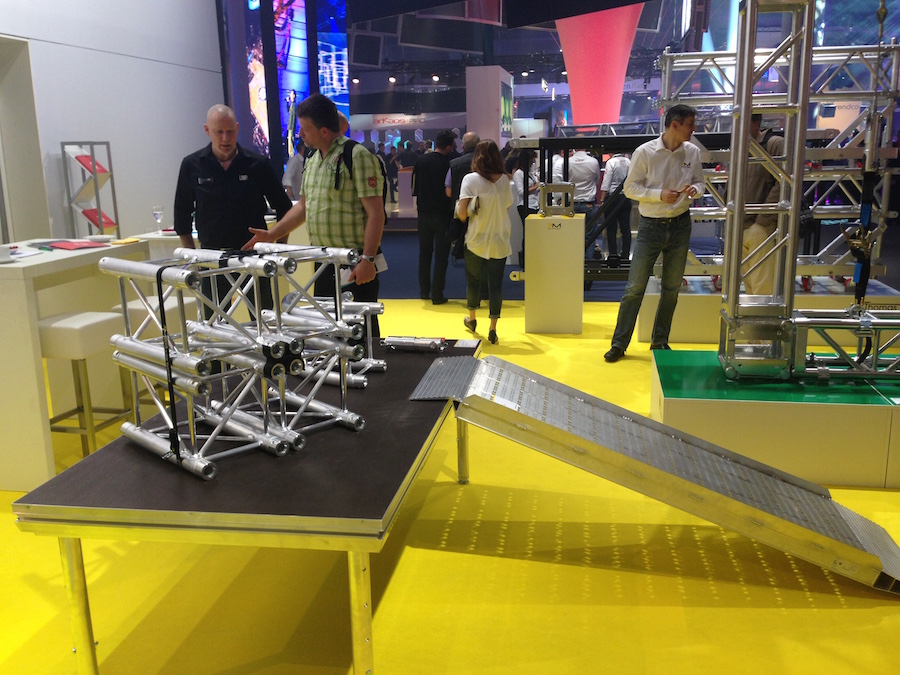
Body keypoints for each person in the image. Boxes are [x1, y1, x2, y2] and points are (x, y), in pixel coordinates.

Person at [243, 93, 385, 332]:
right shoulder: (312, 158)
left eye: (305, 129)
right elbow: (303, 207)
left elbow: (376, 213)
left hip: (353, 262)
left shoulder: (356, 156)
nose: (301, 134)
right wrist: (272, 234)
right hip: (324, 261)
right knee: (329, 329)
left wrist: (368, 259)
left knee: (360, 329)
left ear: (324, 132)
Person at [604, 104, 705, 362]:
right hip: (650, 226)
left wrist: (695, 190)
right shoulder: (645, 152)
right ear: (675, 125)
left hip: (681, 224)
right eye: (690, 124)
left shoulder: (692, 152)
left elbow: (700, 182)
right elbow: (630, 188)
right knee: (635, 287)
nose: (694, 129)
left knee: (672, 288)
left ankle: (660, 341)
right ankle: (619, 344)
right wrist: (659, 195)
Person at [174, 104, 292, 315]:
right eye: (219, 132)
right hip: (211, 257)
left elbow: (284, 208)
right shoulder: (192, 165)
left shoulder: (258, 164)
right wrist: (193, 258)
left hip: (254, 256)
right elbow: (181, 215)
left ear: (237, 128)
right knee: (214, 322)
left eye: (230, 132)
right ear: (207, 130)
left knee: (263, 319)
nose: (225, 138)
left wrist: (278, 249)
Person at [456, 140, 512, 345]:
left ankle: (472, 318)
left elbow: (462, 214)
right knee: (495, 285)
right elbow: (506, 206)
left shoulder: (470, 179)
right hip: (500, 238)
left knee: (473, 281)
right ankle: (493, 328)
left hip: (476, 238)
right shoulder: (504, 180)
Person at [742, 114, 785, 294]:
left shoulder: (774, 144)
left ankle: (762, 314)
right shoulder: (741, 148)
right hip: (741, 225)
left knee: (762, 286)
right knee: (749, 283)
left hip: (762, 227)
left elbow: (784, 183)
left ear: (756, 123)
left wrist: (762, 219)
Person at [412, 129, 456, 304]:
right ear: (448, 146)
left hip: (423, 213)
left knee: (424, 253)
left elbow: (414, 188)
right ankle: (437, 294)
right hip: (443, 214)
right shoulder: (450, 163)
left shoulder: (421, 160)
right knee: (441, 256)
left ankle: (424, 290)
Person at [599, 153, 633, 259]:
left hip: (612, 198)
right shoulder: (629, 161)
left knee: (611, 228)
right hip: (625, 197)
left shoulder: (611, 162)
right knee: (625, 228)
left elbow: (606, 182)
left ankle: (613, 254)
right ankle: (625, 254)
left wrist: (602, 200)